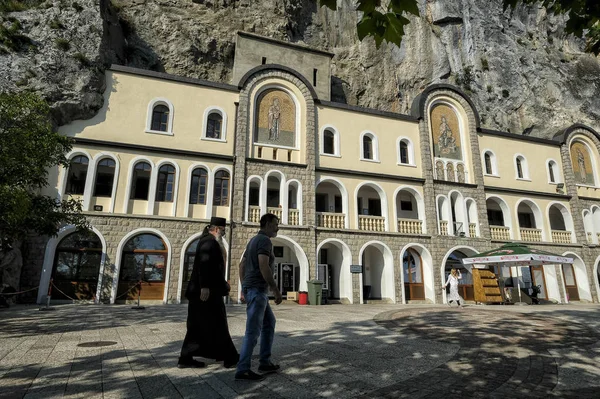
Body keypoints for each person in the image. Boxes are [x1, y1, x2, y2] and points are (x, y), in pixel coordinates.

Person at [178, 216, 239, 369]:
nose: (224, 234)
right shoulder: (209, 242)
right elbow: (204, 264)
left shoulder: (207, 241)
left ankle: (188, 357)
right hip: (206, 293)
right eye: (223, 231)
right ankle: (229, 357)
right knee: (217, 324)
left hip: (207, 292)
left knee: (200, 325)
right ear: (217, 229)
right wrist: (204, 286)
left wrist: (222, 284)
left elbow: (211, 267)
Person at [235, 213, 283, 381]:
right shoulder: (264, 241)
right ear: (268, 224)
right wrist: (275, 289)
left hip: (253, 289)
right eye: (276, 224)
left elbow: (241, 265)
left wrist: (244, 287)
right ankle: (243, 369)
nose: (278, 227)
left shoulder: (252, 241)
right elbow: (264, 265)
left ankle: (265, 361)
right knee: (253, 330)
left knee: (269, 323)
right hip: (257, 290)